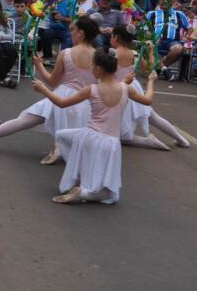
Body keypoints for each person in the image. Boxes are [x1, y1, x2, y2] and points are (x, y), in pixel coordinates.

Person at [0, 16, 99, 164]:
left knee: (24, 121)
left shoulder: (66, 53)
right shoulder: (99, 56)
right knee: (78, 136)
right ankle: (61, 147)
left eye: (73, 31)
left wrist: (40, 66)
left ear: (81, 34)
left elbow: (52, 80)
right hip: (85, 101)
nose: (70, 34)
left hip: (62, 96)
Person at [35, 50, 155, 205]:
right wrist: (151, 81)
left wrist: (43, 88)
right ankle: (84, 188)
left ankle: (80, 184)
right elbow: (147, 100)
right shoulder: (126, 88)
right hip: (110, 143)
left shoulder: (92, 89)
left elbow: (62, 103)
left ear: (98, 69)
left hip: (88, 137)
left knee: (61, 135)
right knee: (111, 195)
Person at [111, 24, 189, 149]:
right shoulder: (134, 54)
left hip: (119, 89)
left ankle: (149, 142)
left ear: (116, 38)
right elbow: (150, 69)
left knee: (119, 133)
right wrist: (151, 52)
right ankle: (182, 139)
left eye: (112, 36)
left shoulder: (113, 54)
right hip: (133, 87)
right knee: (153, 118)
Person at [148, 0, 190, 78]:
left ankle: (159, 68)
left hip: (172, 41)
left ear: (172, 1)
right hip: (155, 41)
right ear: (158, 1)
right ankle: (165, 70)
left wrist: (186, 36)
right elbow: (146, 29)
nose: (164, 1)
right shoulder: (152, 14)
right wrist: (152, 37)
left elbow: (189, 28)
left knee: (179, 49)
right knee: (149, 45)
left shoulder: (179, 14)